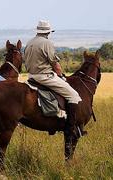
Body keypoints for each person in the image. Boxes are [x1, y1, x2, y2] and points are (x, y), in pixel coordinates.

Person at [23, 20, 83, 156]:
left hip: (31, 76)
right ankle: (71, 128)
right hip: (45, 77)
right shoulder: (47, 43)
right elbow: (54, 63)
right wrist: (61, 75)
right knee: (73, 95)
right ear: (48, 32)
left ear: (38, 30)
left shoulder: (30, 42)